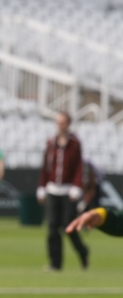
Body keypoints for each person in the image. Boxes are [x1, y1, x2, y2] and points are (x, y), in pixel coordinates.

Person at [37, 112, 89, 272]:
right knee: (52, 227)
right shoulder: (51, 143)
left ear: (69, 123)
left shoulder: (75, 143)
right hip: (53, 189)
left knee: (69, 226)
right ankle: (55, 263)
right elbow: (46, 166)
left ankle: (83, 252)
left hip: (68, 191)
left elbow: (79, 167)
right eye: (58, 122)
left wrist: (76, 187)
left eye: (64, 122)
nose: (61, 125)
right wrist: (42, 187)